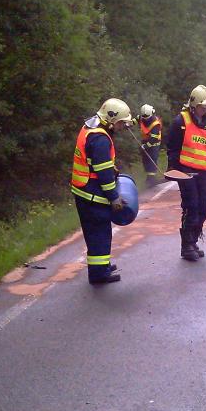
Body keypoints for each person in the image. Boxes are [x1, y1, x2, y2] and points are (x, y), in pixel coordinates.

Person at [70, 98, 130, 284]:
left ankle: (100, 266)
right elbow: (103, 173)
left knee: (94, 233)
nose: (121, 127)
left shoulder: (90, 127)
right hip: (92, 194)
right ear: (111, 120)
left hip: (83, 190)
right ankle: (98, 274)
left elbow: (97, 164)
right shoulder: (101, 139)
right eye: (120, 123)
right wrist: (114, 197)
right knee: (100, 233)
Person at [166, 85, 206, 261]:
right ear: (193, 104)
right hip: (186, 172)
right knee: (191, 207)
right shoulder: (180, 121)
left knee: (203, 209)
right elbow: (172, 149)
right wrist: (173, 169)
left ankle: (194, 240)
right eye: (203, 107)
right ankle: (186, 245)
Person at [138, 104, 162, 188]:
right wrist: (128, 124)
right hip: (145, 142)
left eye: (147, 117)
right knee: (145, 160)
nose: (145, 119)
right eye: (143, 117)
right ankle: (148, 178)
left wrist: (145, 146)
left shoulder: (156, 124)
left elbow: (154, 139)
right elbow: (135, 120)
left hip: (154, 144)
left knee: (152, 160)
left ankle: (152, 179)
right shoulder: (142, 118)